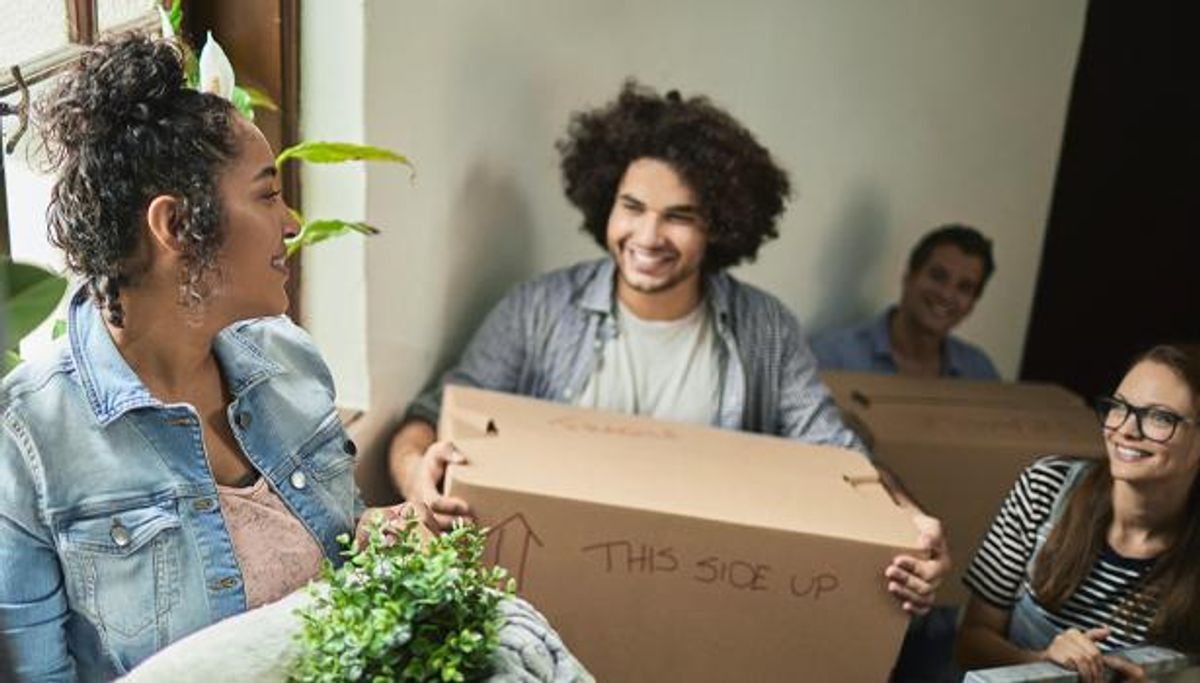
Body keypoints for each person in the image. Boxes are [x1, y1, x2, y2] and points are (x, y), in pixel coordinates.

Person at [369, 80, 951, 618]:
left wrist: (907, 521)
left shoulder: (763, 329)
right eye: (633, 208)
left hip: (697, 604)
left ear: (720, 227)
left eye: (679, 217)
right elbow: (425, 421)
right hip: (547, 602)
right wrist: (418, 473)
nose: (647, 238)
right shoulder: (540, 310)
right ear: (606, 205)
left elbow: (840, 458)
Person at [0, 34, 360, 681]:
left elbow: (343, 585)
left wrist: (377, 545)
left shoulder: (291, 360)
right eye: (266, 193)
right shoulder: (26, 444)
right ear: (174, 226)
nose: (290, 222)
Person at [956, 345, 1200, 683]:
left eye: (1160, 417)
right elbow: (969, 642)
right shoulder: (1045, 488)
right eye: (1120, 408)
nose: (1126, 429)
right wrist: (1039, 660)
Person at [811, 224, 999, 379]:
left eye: (964, 288)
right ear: (909, 277)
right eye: (938, 276)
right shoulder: (833, 358)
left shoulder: (979, 372)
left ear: (973, 304)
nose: (947, 295)